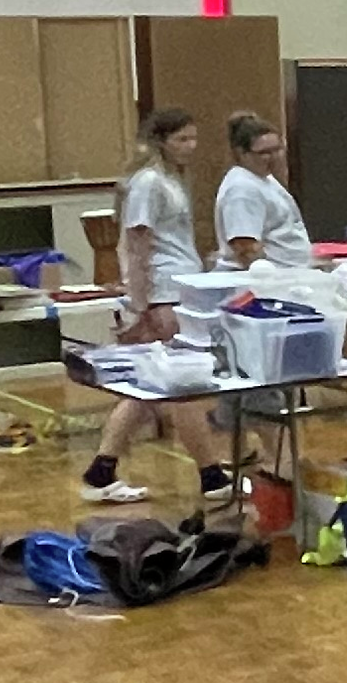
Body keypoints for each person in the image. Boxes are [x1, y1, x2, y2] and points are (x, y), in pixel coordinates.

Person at [84, 107, 228, 506]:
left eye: (194, 139)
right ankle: (211, 475)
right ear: (162, 141)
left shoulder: (171, 181)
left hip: (180, 282)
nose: (190, 147)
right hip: (165, 291)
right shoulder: (148, 183)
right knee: (184, 385)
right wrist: (141, 301)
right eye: (182, 139)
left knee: (150, 382)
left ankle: (101, 469)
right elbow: (137, 242)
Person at [212, 112, 312, 268]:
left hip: (289, 274)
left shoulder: (265, 179)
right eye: (264, 153)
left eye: (277, 149)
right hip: (268, 281)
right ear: (242, 153)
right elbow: (245, 247)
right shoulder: (242, 189)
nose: (274, 157)